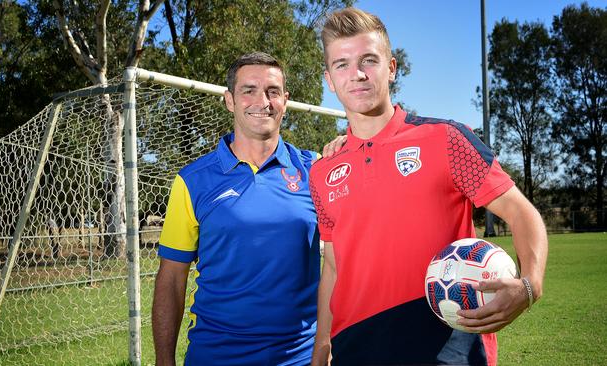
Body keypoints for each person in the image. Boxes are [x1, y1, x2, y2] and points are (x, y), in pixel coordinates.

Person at [309, 8, 548, 366]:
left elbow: (520, 211)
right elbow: (333, 267)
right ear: (329, 79)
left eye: (368, 60)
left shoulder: (445, 139)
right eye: (342, 65)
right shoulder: (323, 170)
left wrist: (530, 284)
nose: (357, 74)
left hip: (448, 342)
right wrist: (322, 349)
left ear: (391, 68)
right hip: (355, 346)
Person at [152, 52, 321, 365]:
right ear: (229, 100)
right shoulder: (191, 181)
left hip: (299, 357)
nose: (263, 101)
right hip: (215, 355)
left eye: (272, 91)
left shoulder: (316, 171)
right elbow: (172, 278)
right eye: (249, 90)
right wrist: (165, 361)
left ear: (285, 100)